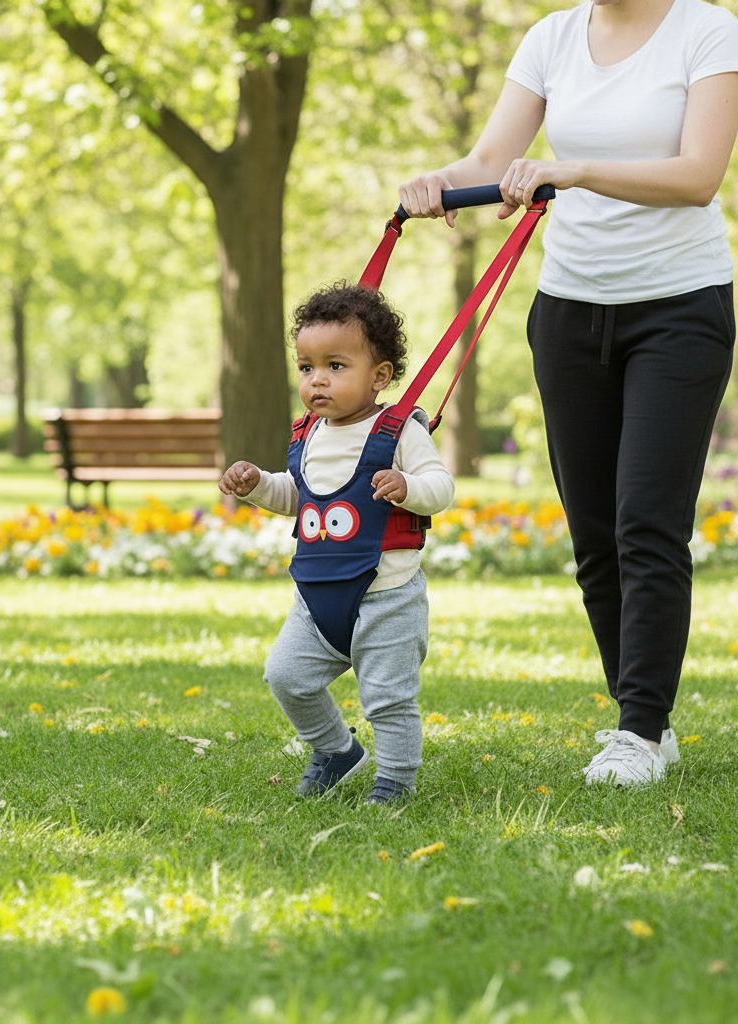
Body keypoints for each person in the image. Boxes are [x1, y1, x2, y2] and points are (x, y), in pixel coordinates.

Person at [399, 0, 738, 786]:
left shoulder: (708, 29)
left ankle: (639, 732)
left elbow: (698, 177)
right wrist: (436, 184)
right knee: (594, 538)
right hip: (569, 312)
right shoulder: (552, 36)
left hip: (678, 309)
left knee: (646, 523)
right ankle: (643, 717)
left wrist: (574, 170)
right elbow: (491, 159)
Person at [219, 284, 454, 804]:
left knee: (388, 699)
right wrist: (257, 483)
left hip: (387, 597)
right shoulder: (309, 433)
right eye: (306, 367)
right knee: (285, 676)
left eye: (335, 366)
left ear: (380, 376)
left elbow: (441, 489)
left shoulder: (399, 432)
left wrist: (408, 488)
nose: (317, 379)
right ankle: (337, 751)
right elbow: (297, 496)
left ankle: (394, 780)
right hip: (316, 598)